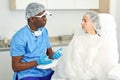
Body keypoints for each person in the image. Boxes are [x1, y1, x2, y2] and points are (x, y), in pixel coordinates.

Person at [53, 11, 119, 80]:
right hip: (72, 77)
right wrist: (71, 75)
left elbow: (99, 67)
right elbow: (68, 60)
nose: (81, 23)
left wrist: (82, 77)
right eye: (82, 20)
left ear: (94, 23)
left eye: (85, 21)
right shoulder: (77, 39)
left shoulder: (101, 42)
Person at [10, 2, 62, 80]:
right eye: (42, 16)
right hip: (28, 74)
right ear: (32, 19)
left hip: (45, 71)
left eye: (45, 16)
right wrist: (37, 62)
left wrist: (54, 55)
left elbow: (49, 53)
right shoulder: (19, 38)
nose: (45, 19)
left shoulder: (44, 31)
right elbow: (15, 67)